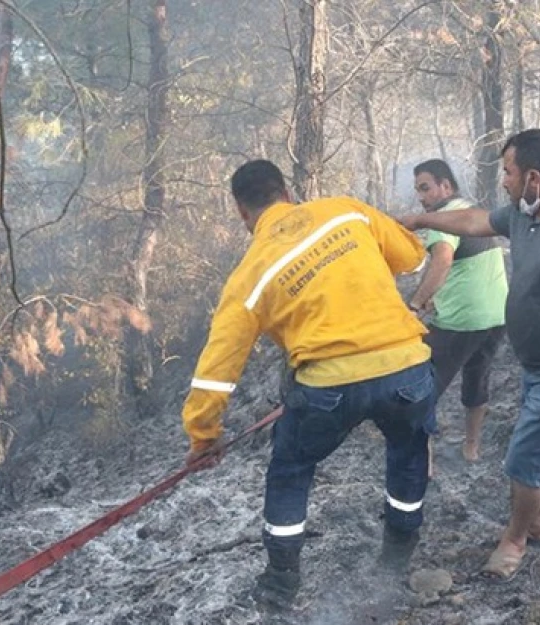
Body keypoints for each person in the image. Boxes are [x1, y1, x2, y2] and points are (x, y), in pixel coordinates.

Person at [180, 159, 437, 610]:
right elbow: (413, 256)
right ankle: (397, 558)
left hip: (327, 387)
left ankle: (281, 584)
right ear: (287, 191)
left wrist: (204, 436)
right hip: (405, 368)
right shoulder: (347, 211)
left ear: (242, 212)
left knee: (291, 472)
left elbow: (216, 368)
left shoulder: (250, 272)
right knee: (407, 452)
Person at [399, 129, 540, 578]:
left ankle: (515, 539)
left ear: (534, 178)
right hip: (536, 364)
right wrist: (421, 221)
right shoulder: (526, 216)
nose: (503, 181)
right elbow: (475, 222)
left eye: (508, 172)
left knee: (525, 459)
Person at [406, 159, 508, 465]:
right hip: (496, 315)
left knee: (421, 387)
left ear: (445, 186)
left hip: (462, 320)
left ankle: (423, 461)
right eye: (417, 190)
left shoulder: (443, 217)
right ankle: (471, 449)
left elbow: (443, 260)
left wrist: (415, 303)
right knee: (478, 379)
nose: (421, 198)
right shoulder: (469, 209)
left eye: (425, 188)